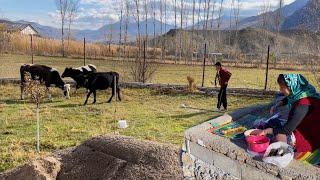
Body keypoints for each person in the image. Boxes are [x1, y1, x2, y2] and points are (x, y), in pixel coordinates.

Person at [252, 74, 320, 153]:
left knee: (277, 137)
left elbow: (286, 130)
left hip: (310, 135)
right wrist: (277, 105)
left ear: (291, 87)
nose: (280, 90)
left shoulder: (302, 105)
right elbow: (288, 98)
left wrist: (266, 131)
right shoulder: (304, 93)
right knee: (271, 124)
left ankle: (286, 150)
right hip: (303, 126)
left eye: (282, 87)